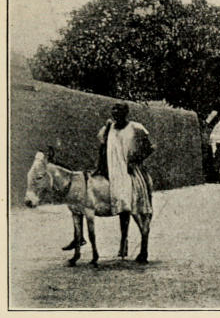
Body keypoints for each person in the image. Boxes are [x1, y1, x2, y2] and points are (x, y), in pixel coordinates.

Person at [64, 103, 154, 252]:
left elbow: (150, 147)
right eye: (114, 110)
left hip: (129, 171)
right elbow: (103, 148)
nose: (115, 113)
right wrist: (100, 168)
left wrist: (136, 159)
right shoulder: (108, 128)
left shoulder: (135, 127)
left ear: (126, 113)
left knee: (130, 206)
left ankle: (138, 246)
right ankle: (120, 242)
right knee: (117, 205)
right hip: (112, 170)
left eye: (119, 111)